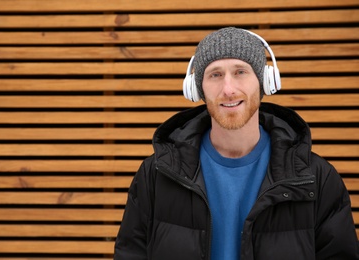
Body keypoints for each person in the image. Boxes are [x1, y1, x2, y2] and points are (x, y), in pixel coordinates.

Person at [114, 27, 359, 260]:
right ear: (197, 88)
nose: (228, 89)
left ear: (265, 81)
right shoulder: (155, 176)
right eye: (215, 75)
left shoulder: (317, 179)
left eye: (240, 71)